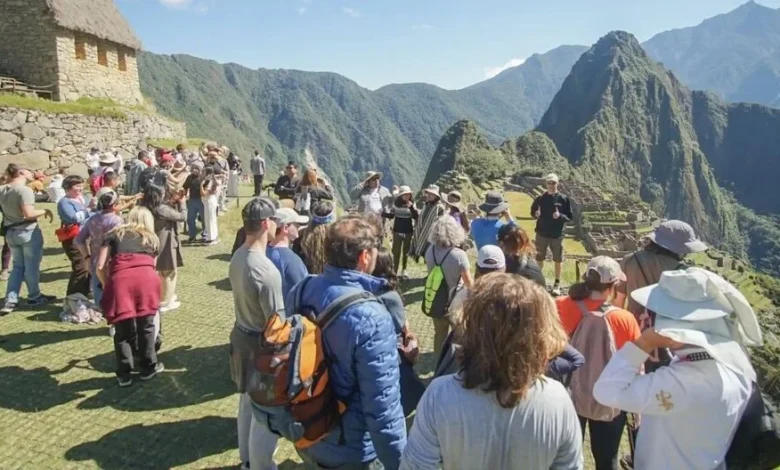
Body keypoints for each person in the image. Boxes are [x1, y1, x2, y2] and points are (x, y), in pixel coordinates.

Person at [253, 215, 407, 470]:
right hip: (351, 447)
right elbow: (383, 410)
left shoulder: (303, 288)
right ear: (364, 257)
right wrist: (402, 463)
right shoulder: (373, 317)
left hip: (308, 426)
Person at [401, 274, 583, 470]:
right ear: (540, 332)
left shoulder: (440, 395)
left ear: (470, 326)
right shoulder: (558, 400)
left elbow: (415, 467)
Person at [594, 268, 760, 470]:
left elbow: (606, 391)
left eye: (653, 314)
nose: (646, 317)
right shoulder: (736, 366)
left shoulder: (680, 382)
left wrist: (644, 343)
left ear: (673, 327)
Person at [555, 256, 641, 470]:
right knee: (607, 458)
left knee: (563, 456)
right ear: (614, 286)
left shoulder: (560, 306)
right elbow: (636, 364)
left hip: (568, 393)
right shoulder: (625, 319)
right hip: (610, 399)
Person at [228, 197, 284, 470]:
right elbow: (277, 323)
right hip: (262, 344)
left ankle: (246, 460)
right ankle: (262, 465)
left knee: (246, 402)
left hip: (240, 334)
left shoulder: (239, 255)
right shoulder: (266, 271)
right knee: (266, 411)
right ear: (265, 224)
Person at [97, 206, 164, 387]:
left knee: (122, 329)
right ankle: (148, 367)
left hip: (121, 281)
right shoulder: (152, 238)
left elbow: (100, 265)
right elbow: (152, 266)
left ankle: (124, 373)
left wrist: (106, 284)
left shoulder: (113, 235)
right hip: (147, 281)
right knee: (147, 325)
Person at [614, 220, 707, 320]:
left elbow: (619, 300)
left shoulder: (630, 260)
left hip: (635, 326)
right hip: (665, 328)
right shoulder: (683, 272)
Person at [0, 164, 55, 314]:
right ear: (21, 172)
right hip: (27, 230)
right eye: (29, 170)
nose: (33, 172)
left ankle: (10, 300)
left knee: (17, 266)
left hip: (11, 231)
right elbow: (28, 213)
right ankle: (34, 296)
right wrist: (45, 210)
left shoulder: (3, 189)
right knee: (31, 265)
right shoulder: (24, 190)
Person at [425, 216, 473, 355]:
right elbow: (469, 284)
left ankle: (439, 362)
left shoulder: (430, 251)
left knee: (439, 334)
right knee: (459, 335)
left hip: (436, 300)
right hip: (456, 302)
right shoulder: (459, 255)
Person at [142, 184, 186, 313]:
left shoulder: (147, 207)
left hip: (155, 241)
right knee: (169, 271)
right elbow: (182, 217)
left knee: (162, 271)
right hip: (166, 242)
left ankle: (165, 296)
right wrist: (183, 204)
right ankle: (166, 300)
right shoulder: (162, 209)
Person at [75, 190, 123, 306]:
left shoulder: (93, 219)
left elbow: (79, 240)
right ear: (115, 205)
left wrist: (86, 256)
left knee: (98, 287)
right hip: (113, 260)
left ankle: (99, 308)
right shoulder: (117, 221)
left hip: (95, 259)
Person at [531, 173, 573, 295]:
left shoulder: (563, 199)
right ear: (546, 184)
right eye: (549, 183)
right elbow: (532, 212)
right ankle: (538, 282)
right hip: (541, 233)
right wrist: (535, 214)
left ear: (557, 183)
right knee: (539, 258)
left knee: (558, 259)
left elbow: (569, 217)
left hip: (556, 234)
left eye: (553, 183)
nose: (551, 185)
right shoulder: (540, 199)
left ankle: (557, 283)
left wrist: (560, 216)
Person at [57, 175, 92, 297]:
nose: (80, 188)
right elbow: (74, 218)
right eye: (77, 186)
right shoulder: (64, 203)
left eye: (81, 185)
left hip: (87, 235)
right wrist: (89, 210)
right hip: (74, 238)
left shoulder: (83, 198)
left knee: (89, 264)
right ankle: (72, 295)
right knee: (81, 266)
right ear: (68, 188)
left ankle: (86, 291)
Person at [267, 208, 310, 298]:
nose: (299, 227)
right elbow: (302, 291)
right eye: (296, 224)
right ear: (286, 228)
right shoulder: (292, 260)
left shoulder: (263, 252)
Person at [384, 185, 418, 279]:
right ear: (400, 195)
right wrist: (382, 213)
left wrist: (411, 207)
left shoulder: (412, 203)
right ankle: (395, 270)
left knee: (406, 252)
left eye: (408, 194)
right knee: (396, 252)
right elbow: (392, 215)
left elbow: (416, 216)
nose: (406, 196)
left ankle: (404, 270)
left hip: (408, 231)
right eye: (404, 195)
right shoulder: (396, 203)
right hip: (397, 230)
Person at [408, 185, 445, 262]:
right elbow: (421, 216)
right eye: (428, 193)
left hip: (432, 234)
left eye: (431, 194)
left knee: (429, 255)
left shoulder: (440, 207)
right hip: (422, 230)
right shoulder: (426, 205)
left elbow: (442, 221)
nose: (429, 196)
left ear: (436, 196)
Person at [201, 166, 222, 245]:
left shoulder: (210, 181)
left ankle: (211, 238)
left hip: (210, 201)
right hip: (209, 201)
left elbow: (204, 193)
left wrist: (201, 185)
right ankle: (214, 236)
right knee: (211, 220)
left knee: (210, 220)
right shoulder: (211, 179)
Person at [184, 165, 205, 243]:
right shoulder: (189, 178)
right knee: (190, 219)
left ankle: (205, 235)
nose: (195, 170)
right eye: (194, 169)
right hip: (192, 200)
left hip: (202, 200)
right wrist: (185, 195)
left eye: (197, 169)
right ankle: (192, 236)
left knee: (204, 219)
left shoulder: (203, 177)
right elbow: (185, 187)